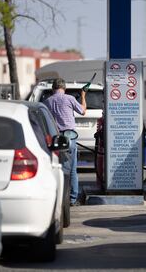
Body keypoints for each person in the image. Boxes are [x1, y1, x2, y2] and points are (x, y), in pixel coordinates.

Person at [44, 78, 86, 206]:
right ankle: (72, 199)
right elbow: (83, 111)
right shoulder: (70, 99)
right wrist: (83, 96)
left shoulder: (47, 102)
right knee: (72, 169)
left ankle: (58, 196)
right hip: (69, 136)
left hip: (55, 138)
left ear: (53, 89)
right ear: (64, 88)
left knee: (56, 168)